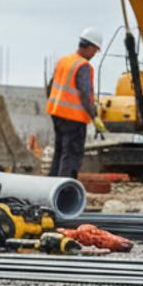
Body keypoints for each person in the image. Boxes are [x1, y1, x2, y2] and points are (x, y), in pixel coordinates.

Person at [46, 27, 108, 178]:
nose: (94, 54)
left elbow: (50, 86)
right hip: (73, 118)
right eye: (95, 50)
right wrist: (94, 116)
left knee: (60, 152)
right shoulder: (83, 66)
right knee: (72, 156)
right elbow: (84, 95)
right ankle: (64, 192)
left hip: (57, 113)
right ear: (90, 47)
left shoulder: (64, 60)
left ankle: (51, 188)